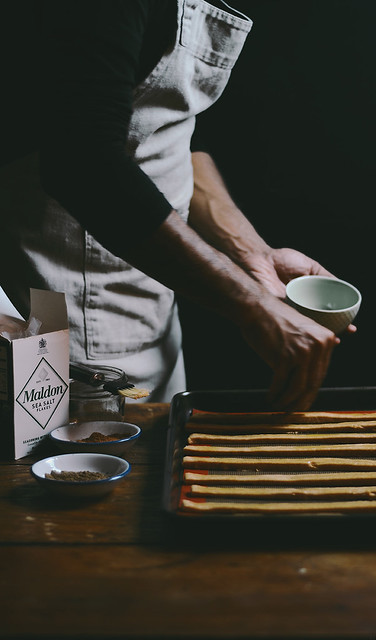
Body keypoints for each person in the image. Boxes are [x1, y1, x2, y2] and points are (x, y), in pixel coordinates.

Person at [0, 0, 354, 410]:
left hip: (152, 309)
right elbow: (82, 163)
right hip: (68, 320)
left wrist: (254, 252)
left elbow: (162, 132)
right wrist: (253, 307)